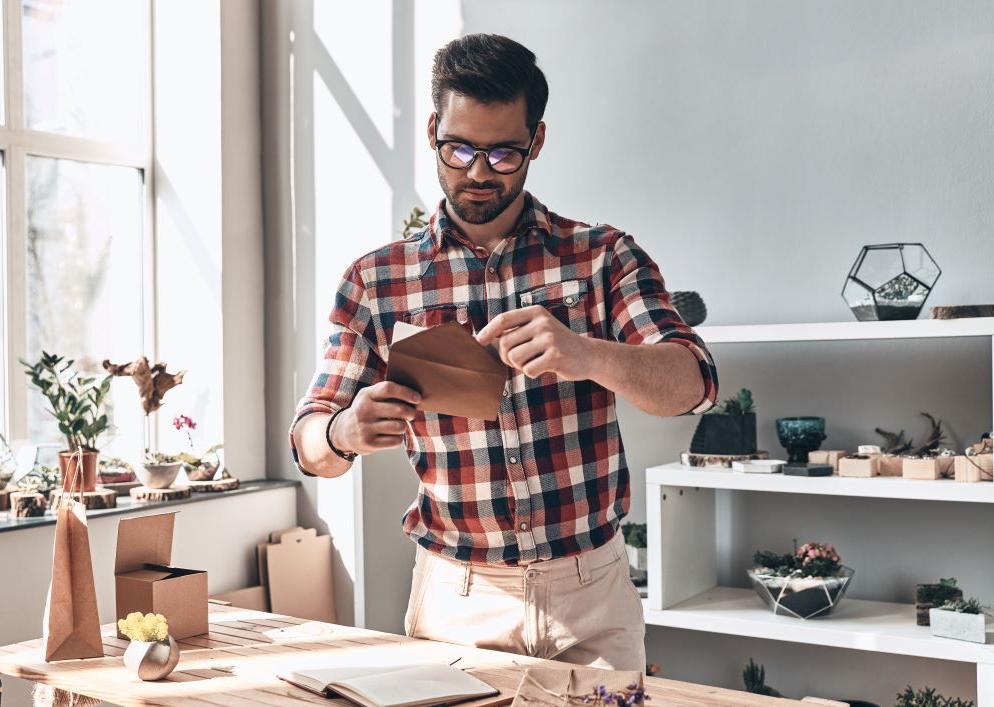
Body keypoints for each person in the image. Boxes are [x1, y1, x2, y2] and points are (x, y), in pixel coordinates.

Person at [288, 33, 718, 671]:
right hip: (457, 603)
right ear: (433, 130)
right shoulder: (376, 282)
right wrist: (344, 429)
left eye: (503, 153)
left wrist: (589, 355)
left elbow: (696, 385)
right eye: (458, 149)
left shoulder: (603, 257)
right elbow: (307, 445)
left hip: (592, 596)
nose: (478, 172)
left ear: (536, 141)